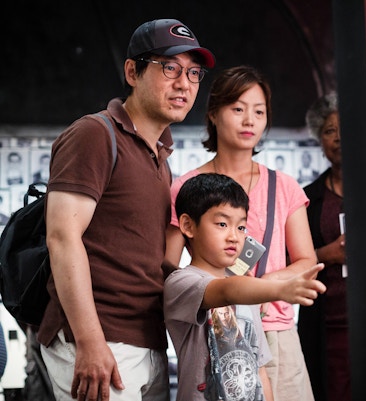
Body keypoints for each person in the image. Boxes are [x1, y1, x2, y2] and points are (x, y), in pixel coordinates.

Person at [37, 18, 215, 401]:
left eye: (193, 73)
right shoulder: (95, 135)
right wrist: (90, 341)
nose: (184, 84)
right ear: (132, 72)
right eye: (170, 68)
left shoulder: (160, 156)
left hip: (148, 341)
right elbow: (62, 238)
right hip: (100, 341)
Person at [165, 65, 318, 401]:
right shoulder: (186, 187)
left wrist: (261, 290)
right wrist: (225, 292)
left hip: (276, 330)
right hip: (215, 328)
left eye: (259, 112)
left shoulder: (284, 186)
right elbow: (168, 265)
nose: (250, 120)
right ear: (213, 113)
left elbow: (306, 260)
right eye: (238, 109)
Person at [164, 173, 326, 401]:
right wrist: (279, 289)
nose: (234, 236)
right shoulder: (181, 283)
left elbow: (260, 369)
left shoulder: (247, 295)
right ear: (188, 226)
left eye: (241, 227)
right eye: (222, 224)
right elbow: (226, 291)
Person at [298, 92, 348, 401]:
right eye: (330, 130)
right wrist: (326, 254)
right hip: (326, 324)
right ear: (320, 139)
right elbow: (288, 259)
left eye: (345, 129)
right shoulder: (308, 198)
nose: (339, 137)